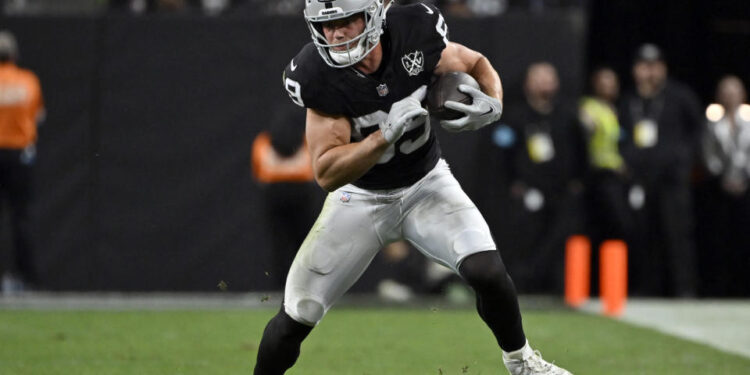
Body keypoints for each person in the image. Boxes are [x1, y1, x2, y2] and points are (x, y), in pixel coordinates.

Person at [253, 1, 572, 374]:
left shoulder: (413, 31)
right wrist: (382, 137)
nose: (335, 34)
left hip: (426, 183)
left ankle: (521, 362)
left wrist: (494, 102)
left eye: (345, 20)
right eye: (327, 25)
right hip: (359, 197)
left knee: (487, 270)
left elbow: (474, 62)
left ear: (372, 15)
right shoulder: (315, 74)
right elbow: (326, 172)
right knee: (297, 314)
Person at [486, 62, 585, 293]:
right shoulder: (515, 117)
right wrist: (513, 183)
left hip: (562, 193)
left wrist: (578, 183)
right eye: (538, 78)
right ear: (527, 83)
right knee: (527, 241)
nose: (544, 83)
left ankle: (561, 291)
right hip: (529, 193)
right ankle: (524, 288)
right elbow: (501, 155)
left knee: (561, 241)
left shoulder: (568, 116)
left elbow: (582, 151)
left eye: (549, 78)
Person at [618, 43, 702, 297]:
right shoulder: (630, 100)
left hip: (672, 179)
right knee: (645, 235)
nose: (649, 73)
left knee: (677, 235)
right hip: (641, 180)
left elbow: (698, 131)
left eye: (654, 67)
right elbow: (620, 136)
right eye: (644, 67)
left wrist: (684, 160)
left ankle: (685, 289)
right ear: (635, 70)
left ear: (663, 69)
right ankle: (648, 289)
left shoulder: (679, 95)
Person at [250, 106, 322, 289]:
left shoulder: (263, 141)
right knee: (304, 243)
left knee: (280, 244)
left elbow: (258, 174)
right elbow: (315, 170)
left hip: (274, 195)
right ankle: (306, 287)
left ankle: (282, 289)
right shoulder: (306, 141)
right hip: (301, 194)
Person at [696, 75, 750, 296]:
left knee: (744, 238)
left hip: (746, 186)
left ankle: (744, 287)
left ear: (742, 94)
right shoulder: (712, 122)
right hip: (719, 187)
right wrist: (721, 178)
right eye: (725, 90)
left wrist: (744, 179)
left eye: (734, 90)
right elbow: (707, 154)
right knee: (719, 239)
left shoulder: (748, 121)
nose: (729, 95)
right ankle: (719, 287)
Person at [0, 30, 44, 293]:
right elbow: (38, 115)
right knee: (21, 218)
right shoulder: (28, 81)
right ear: (14, 55)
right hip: (19, 155)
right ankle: (24, 277)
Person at [578, 67, 632, 246]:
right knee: (614, 222)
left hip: (618, 174)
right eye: (603, 81)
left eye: (612, 82)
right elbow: (582, 132)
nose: (608, 86)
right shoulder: (589, 107)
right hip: (600, 173)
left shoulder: (618, 109)